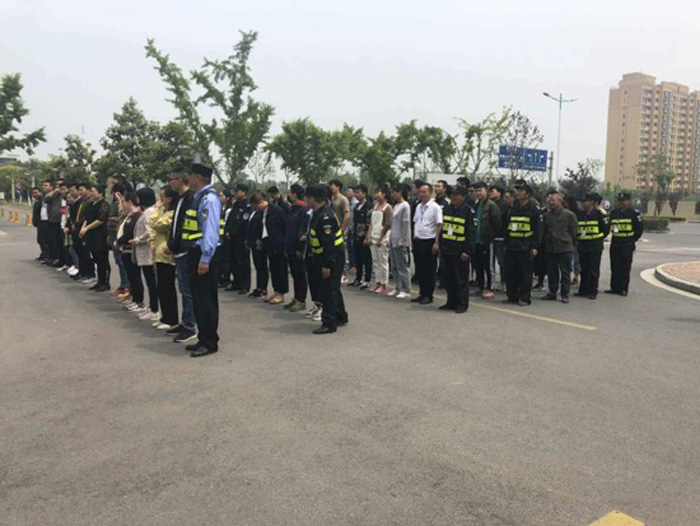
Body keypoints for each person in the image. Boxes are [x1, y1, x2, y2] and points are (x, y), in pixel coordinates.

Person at [179, 163, 222, 357]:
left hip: (204, 255)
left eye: (190, 175)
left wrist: (205, 258)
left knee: (206, 301)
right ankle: (203, 338)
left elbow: (210, 231)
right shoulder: (199, 197)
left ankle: (210, 342)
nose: (188, 179)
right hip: (195, 253)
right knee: (198, 300)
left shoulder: (209, 199)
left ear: (197, 177)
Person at [306, 183, 348, 334]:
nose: (306, 201)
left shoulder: (325, 217)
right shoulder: (318, 213)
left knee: (328, 290)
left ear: (313, 199)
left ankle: (329, 323)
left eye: (307, 198)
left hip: (332, 257)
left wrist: (327, 265)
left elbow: (329, 244)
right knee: (333, 287)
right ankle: (340, 316)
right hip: (324, 256)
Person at [166, 169, 197, 344]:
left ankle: (190, 326)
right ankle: (185, 322)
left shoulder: (190, 198)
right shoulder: (179, 199)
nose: (170, 183)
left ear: (179, 179)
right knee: (183, 289)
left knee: (187, 290)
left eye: (171, 179)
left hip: (185, 249)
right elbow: (175, 225)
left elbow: (185, 226)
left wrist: (173, 245)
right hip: (178, 250)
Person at [503, 182, 541, 306]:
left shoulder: (534, 209)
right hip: (512, 246)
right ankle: (512, 296)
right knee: (510, 272)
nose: (518, 193)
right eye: (517, 191)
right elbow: (507, 226)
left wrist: (535, 246)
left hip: (525, 246)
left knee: (525, 274)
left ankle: (524, 298)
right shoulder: (513, 207)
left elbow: (538, 230)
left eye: (521, 191)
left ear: (527, 194)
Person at [439, 186, 476, 313]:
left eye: (456, 195)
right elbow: (443, 229)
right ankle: (451, 302)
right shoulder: (447, 209)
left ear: (463, 197)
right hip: (447, 249)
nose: (453, 197)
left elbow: (471, 233)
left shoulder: (468, 211)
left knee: (460, 279)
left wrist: (467, 251)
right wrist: (441, 245)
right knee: (448, 278)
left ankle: (462, 304)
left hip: (460, 251)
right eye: (452, 195)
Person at [249, 190, 289, 305]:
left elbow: (285, 227)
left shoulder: (276, 210)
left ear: (262, 201)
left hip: (278, 244)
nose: (256, 209)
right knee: (273, 269)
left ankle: (281, 293)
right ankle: (276, 291)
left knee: (280, 270)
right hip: (269, 243)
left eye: (257, 206)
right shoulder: (263, 212)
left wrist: (285, 245)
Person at [150, 186, 179, 329]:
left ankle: (171, 318)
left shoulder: (172, 213)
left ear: (170, 198)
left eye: (163, 196)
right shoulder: (163, 211)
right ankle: (165, 316)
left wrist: (156, 209)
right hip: (158, 253)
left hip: (167, 254)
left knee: (168, 287)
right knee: (161, 287)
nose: (160, 199)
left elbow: (157, 224)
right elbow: (153, 230)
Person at [541, 192, 578, 303]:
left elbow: (574, 231)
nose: (551, 202)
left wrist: (571, 243)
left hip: (565, 247)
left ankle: (565, 294)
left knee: (565, 272)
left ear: (560, 201)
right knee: (552, 272)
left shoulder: (569, 215)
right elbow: (544, 231)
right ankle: (552, 292)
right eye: (550, 200)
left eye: (553, 200)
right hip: (550, 247)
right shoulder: (546, 216)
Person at [606, 192, 643, 296]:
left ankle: (623, 288)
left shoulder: (634, 214)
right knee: (615, 266)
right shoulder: (614, 213)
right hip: (615, 243)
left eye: (623, 200)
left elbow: (639, 230)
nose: (621, 202)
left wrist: (631, 240)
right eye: (620, 200)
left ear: (628, 201)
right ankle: (614, 287)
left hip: (627, 244)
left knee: (625, 267)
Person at [575, 192, 610, 300]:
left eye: (586, 201)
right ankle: (583, 290)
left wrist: (596, 238)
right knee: (584, 269)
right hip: (583, 245)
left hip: (595, 246)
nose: (584, 203)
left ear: (593, 202)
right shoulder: (580, 214)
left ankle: (593, 291)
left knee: (593, 270)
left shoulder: (600, 215)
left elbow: (605, 230)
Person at [131, 187, 160, 321]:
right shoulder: (147, 211)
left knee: (151, 282)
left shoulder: (149, 212)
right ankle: (152, 307)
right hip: (145, 251)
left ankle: (154, 309)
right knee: (149, 281)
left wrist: (138, 239)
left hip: (148, 251)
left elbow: (150, 231)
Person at [412, 183, 442, 305]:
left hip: (429, 240)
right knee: (420, 269)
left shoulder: (435, 207)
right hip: (418, 239)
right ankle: (422, 292)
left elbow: (438, 225)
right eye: (420, 192)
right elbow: (416, 222)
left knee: (429, 270)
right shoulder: (418, 206)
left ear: (430, 193)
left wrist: (436, 242)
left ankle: (429, 295)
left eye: (424, 192)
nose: (422, 194)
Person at [471, 181, 502, 299]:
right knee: (478, 265)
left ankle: (490, 288)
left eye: (480, 190)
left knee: (488, 266)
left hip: (487, 241)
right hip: (476, 240)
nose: (478, 193)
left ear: (486, 191)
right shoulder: (476, 205)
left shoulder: (491, 206)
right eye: (476, 191)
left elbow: (497, 223)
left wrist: (491, 236)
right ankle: (480, 287)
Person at [79, 184, 111, 291]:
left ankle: (105, 282)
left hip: (100, 235)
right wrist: (83, 228)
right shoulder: (90, 204)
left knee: (102, 259)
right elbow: (86, 218)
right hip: (91, 235)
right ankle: (99, 281)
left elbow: (100, 220)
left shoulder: (104, 204)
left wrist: (87, 228)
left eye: (93, 191)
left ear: (100, 193)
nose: (91, 193)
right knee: (96, 258)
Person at [116, 192, 144, 312]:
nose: (122, 205)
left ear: (130, 202)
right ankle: (134, 298)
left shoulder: (136, 215)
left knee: (135, 276)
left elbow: (130, 232)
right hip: (125, 249)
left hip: (130, 249)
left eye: (124, 202)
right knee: (131, 277)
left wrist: (119, 241)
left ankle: (139, 301)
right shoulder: (130, 215)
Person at [284, 184, 310, 312]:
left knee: (300, 275)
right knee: (294, 274)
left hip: (297, 248)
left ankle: (301, 300)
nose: (288, 195)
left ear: (295, 194)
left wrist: (300, 249)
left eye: (290, 193)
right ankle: (296, 297)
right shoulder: (292, 209)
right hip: (290, 247)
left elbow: (302, 231)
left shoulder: (303, 210)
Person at [225, 183, 252, 294]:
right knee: (233, 261)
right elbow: (230, 219)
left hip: (241, 238)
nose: (235, 193)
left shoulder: (247, 206)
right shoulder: (236, 204)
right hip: (231, 238)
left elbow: (242, 222)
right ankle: (236, 282)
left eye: (237, 191)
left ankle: (244, 285)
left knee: (243, 262)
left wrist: (232, 232)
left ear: (244, 192)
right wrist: (227, 231)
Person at [365, 186, 392, 294]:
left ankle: (384, 284)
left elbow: (388, 224)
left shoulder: (387, 207)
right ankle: (377, 282)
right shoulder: (375, 206)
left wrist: (381, 238)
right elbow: (371, 223)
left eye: (378, 193)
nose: (376, 195)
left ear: (384, 194)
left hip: (382, 237)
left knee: (383, 261)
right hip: (373, 236)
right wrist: (369, 235)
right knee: (375, 261)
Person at [388, 183, 411, 299]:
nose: (392, 194)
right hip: (393, 238)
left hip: (400, 240)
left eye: (394, 192)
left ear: (400, 192)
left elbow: (405, 224)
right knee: (394, 266)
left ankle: (405, 289)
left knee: (402, 266)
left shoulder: (405, 206)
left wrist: (403, 240)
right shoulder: (395, 206)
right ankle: (397, 287)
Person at [349, 184, 372, 289]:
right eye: (356, 192)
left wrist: (368, 235)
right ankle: (358, 278)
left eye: (360, 192)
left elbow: (369, 222)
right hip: (356, 234)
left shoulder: (368, 206)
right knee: (357, 258)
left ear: (365, 193)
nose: (358, 194)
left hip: (364, 235)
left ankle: (367, 280)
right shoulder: (356, 206)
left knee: (366, 258)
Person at [489, 185, 509, 291]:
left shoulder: (504, 205)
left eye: (493, 191)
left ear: (499, 193)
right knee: (490, 263)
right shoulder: (489, 204)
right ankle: (491, 283)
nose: (490, 193)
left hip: (501, 237)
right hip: (490, 237)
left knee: (502, 262)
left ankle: (504, 282)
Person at [218, 188, 234, 288]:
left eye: (221, 196)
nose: (220, 198)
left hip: (224, 237)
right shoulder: (220, 208)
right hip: (219, 236)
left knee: (225, 259)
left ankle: (226, 279)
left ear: (227, 198)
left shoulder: (229, 210)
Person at [31, 187, 45, 260]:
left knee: (43, 240)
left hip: (43, 223)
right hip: (39, 224)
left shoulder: (43, 201)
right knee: (40, 240)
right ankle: (43, 254)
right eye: (33, 193)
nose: (35, 194)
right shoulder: (37, 202)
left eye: (36, 193)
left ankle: (46, 255)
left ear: (41, 192)